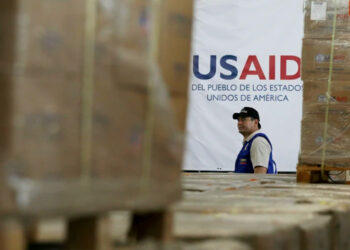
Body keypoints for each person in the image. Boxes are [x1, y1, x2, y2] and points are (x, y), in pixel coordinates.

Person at [232, 107, 277, 174]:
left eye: (244, 119)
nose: (239, 123)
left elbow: (260, 176)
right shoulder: (250, 142)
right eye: (238, 120)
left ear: (255, 122)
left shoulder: (258, 142)